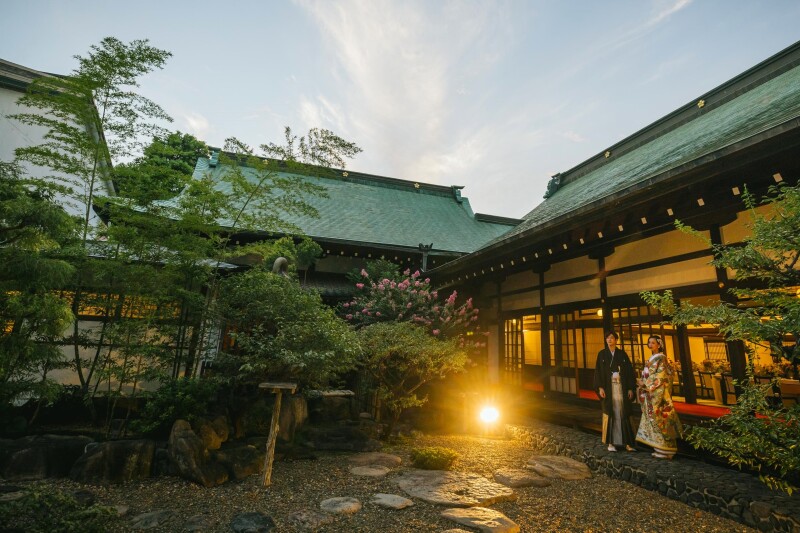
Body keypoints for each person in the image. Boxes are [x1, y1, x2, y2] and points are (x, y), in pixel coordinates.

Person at [636, 334, 683, 459]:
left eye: (653, 342)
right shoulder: (653, 358)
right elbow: (649, 373)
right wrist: (643, 381)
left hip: (658, 393)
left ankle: (666, 449)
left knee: (659, 418)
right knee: (654, 418)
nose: (650, 345)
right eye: (649, 342)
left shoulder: (661, 358)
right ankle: (660, 448)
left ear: (659, 344)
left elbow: (660, 376)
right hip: (651, 391)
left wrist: (645, 384)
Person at [593, 331, 636, 452]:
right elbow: (598, 372)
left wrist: (630, 388)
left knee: (624, 413)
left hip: (621, 387)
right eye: (607, 338)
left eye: (612, 338)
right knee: (611, 413)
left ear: (616, 340)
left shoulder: (622, 354)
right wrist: (600, 387)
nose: (609, 340)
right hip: (608, 388)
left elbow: (629, 372)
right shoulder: (602, 354)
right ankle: (611, 443)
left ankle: (628, 443)